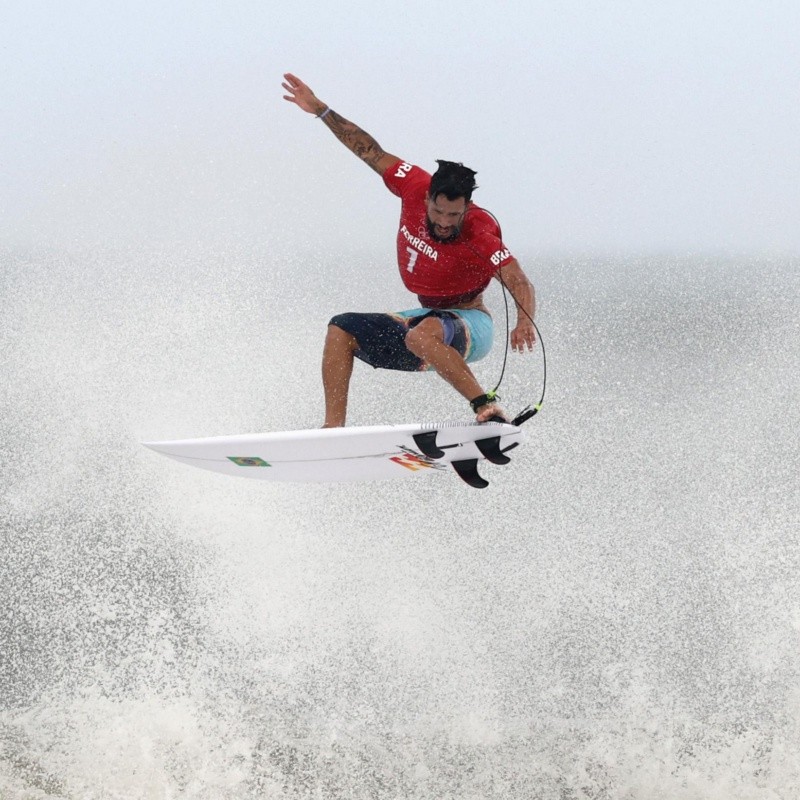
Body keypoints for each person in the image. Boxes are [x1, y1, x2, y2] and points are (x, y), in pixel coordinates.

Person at [281, 73, 537, 428]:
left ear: (467, 206)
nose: (444, 222)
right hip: (426, 318)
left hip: (470, 326)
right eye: (437, 211)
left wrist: (525, 321)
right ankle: (332, 430)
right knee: (341, 329)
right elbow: (369, 151)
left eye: (454, 214)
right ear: (428, 196)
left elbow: (517, 279)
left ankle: (485, 407)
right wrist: (321, 110)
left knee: (420, 334)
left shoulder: (480, 232)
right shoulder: (412, 185)